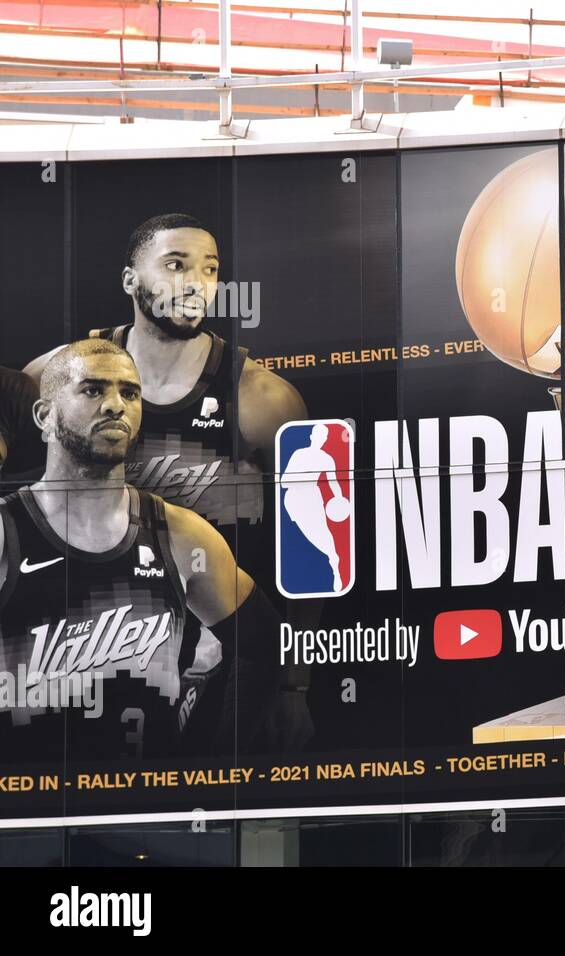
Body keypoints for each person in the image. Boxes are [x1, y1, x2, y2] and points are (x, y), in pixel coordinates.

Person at [23, 214, 311, 750]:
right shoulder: (55, 375)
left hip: (216, 656)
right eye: (176, 265)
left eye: (209, 269)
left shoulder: (258, 396)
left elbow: (314, 545)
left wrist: (294, 683)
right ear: (131, 279)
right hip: (82, 650)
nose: (194, 283)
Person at [0, 339, 279, 758]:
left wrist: (212, 764)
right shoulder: (6, 529)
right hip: (26, 814)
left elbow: (264, 645)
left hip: (147, 815)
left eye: (129, 392)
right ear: (45, 416)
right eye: (93, 390)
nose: (116, 405)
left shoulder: (182, 534)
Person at [282, 423, 349, 593]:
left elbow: (333, 482)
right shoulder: (299, 454)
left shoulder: (326, 458)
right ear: (312, 436)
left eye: (324, 436)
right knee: (302, 539)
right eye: (318, 435)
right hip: (294, 500)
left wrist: (339, 498)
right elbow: (283, 481)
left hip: (313, 499)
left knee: (324, 536)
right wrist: (303, 477)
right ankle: (323, 564)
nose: (321, 439)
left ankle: (335, 565)